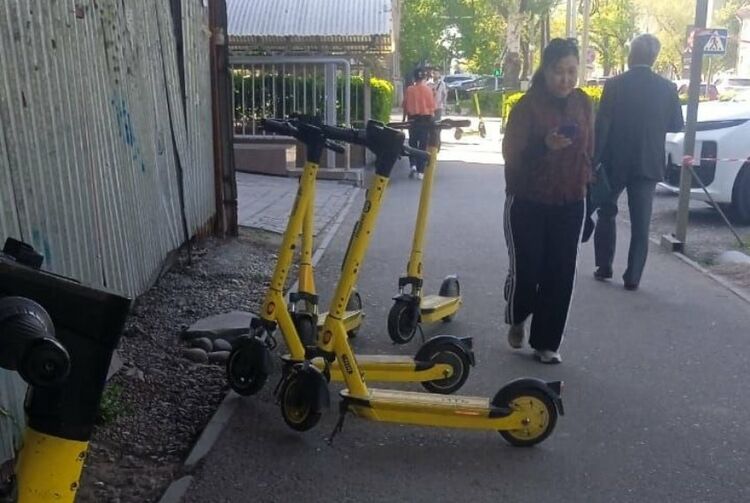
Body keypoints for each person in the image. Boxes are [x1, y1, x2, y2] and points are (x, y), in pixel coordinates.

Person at [502, 38, 594, 364]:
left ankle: (546, 343)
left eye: (572, 71)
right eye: (558, 72)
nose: (565, 79)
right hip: (528, 200)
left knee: (560, 273)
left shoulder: (583, 103)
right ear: (545, 70)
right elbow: (511, 155)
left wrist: (592, 199)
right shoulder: (526, 107)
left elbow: (589, 152)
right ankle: (518, 316)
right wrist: (544, 146)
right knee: (528, 273)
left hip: (571, 200)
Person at [593, 34, 684, 291]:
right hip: (648, 162)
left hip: (614, 161)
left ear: (631, 55)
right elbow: (677, 124)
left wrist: (594, 161)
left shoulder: (614, 85)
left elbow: (602, 126)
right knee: (641, 224)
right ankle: (633, 277)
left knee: (606, 212)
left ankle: (604, 266)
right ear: (654, 58)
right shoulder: (667, 88)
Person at [402, 67, 435, 180]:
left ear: (414, 78)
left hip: (412, 120)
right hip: (425, 120)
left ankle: (413, 165)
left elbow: (405, 105)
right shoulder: (428, 90)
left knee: (412, 143)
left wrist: (404, 119)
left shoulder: (410, 89)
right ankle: (421, 171)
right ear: (424, 78)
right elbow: (432, 107)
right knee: (422, 145)